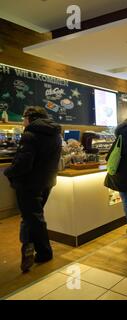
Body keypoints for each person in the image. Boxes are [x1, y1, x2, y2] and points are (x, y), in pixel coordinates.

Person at [4, 107, 62, 272]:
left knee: (33, 218)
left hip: (29, 184)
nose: (23, 122)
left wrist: (8, 171)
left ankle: (43, 252)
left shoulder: (30, 135)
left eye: (23, 118)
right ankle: (29, 247)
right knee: (33, 217)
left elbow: (23, 164)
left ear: (30, 117)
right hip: (47, 182)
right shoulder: (55, 134)